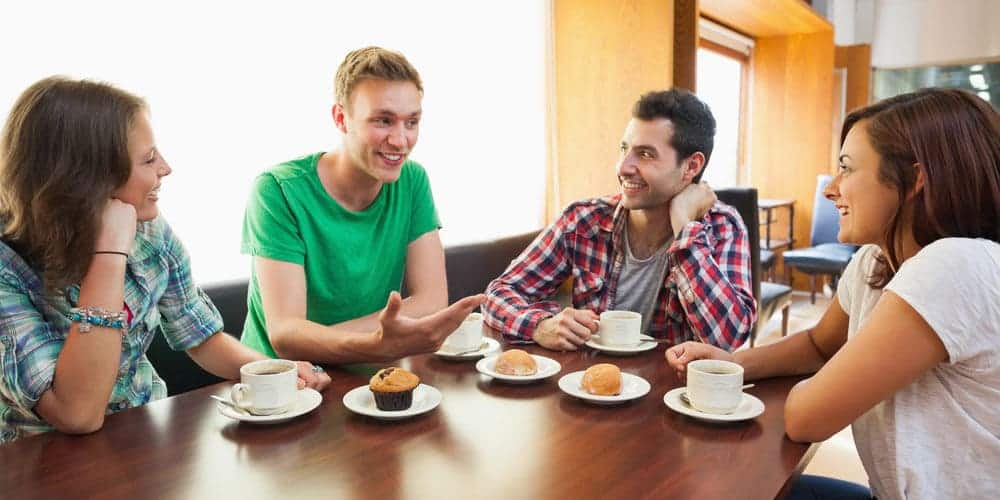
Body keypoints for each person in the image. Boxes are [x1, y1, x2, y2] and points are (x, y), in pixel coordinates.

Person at [666, 88, 1000, 500]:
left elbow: (806, 418)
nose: (831, 189)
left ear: (916, 179)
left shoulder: (957, 265)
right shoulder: (875, 263)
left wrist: (821, 387)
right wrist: (733, 363)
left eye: (847, 168)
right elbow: (819, 345)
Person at [0, 77, 331, 444]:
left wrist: (273, 373)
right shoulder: (7, 270)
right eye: (148, 159)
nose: (166, 168)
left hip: (144, 439)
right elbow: (77, 413)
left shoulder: (148, 229)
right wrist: (108, 255)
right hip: (43, 459)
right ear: (87, 179)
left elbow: (200, 336)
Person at [240, 46, 484, 363]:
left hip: (366, 371)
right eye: (383, 121)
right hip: (284, 381)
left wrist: (338, 343)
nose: (400, 140)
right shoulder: (277, 189)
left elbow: (431, 301)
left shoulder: (412, 180)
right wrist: (376, 342)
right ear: (341, 118)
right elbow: (286, 334)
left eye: (412, 122)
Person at [484, 89, 755, 351]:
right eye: (624, 149)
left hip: (670, 382)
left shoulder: (722, 227)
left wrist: (685, 228)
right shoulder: (583, 220)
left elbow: (727, 340)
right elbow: (497, 294)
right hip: (591, 379)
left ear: (691, 166)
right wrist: (539, 325)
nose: (623, 167)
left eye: (646, 154)